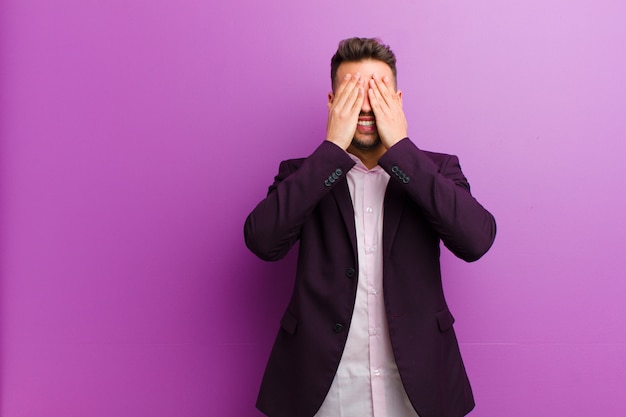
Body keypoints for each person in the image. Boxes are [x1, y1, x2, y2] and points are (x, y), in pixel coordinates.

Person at [244, 37, 496, 417]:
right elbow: (263, 241)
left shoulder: (438, 169)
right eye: (352, 92)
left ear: (397, 100)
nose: (365, 105)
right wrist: (332, 148)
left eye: (377, 92)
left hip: (418, 389)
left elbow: (476, 240)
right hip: (323, 390)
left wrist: (402, 149)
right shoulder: (301, 174)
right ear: (332, 104)